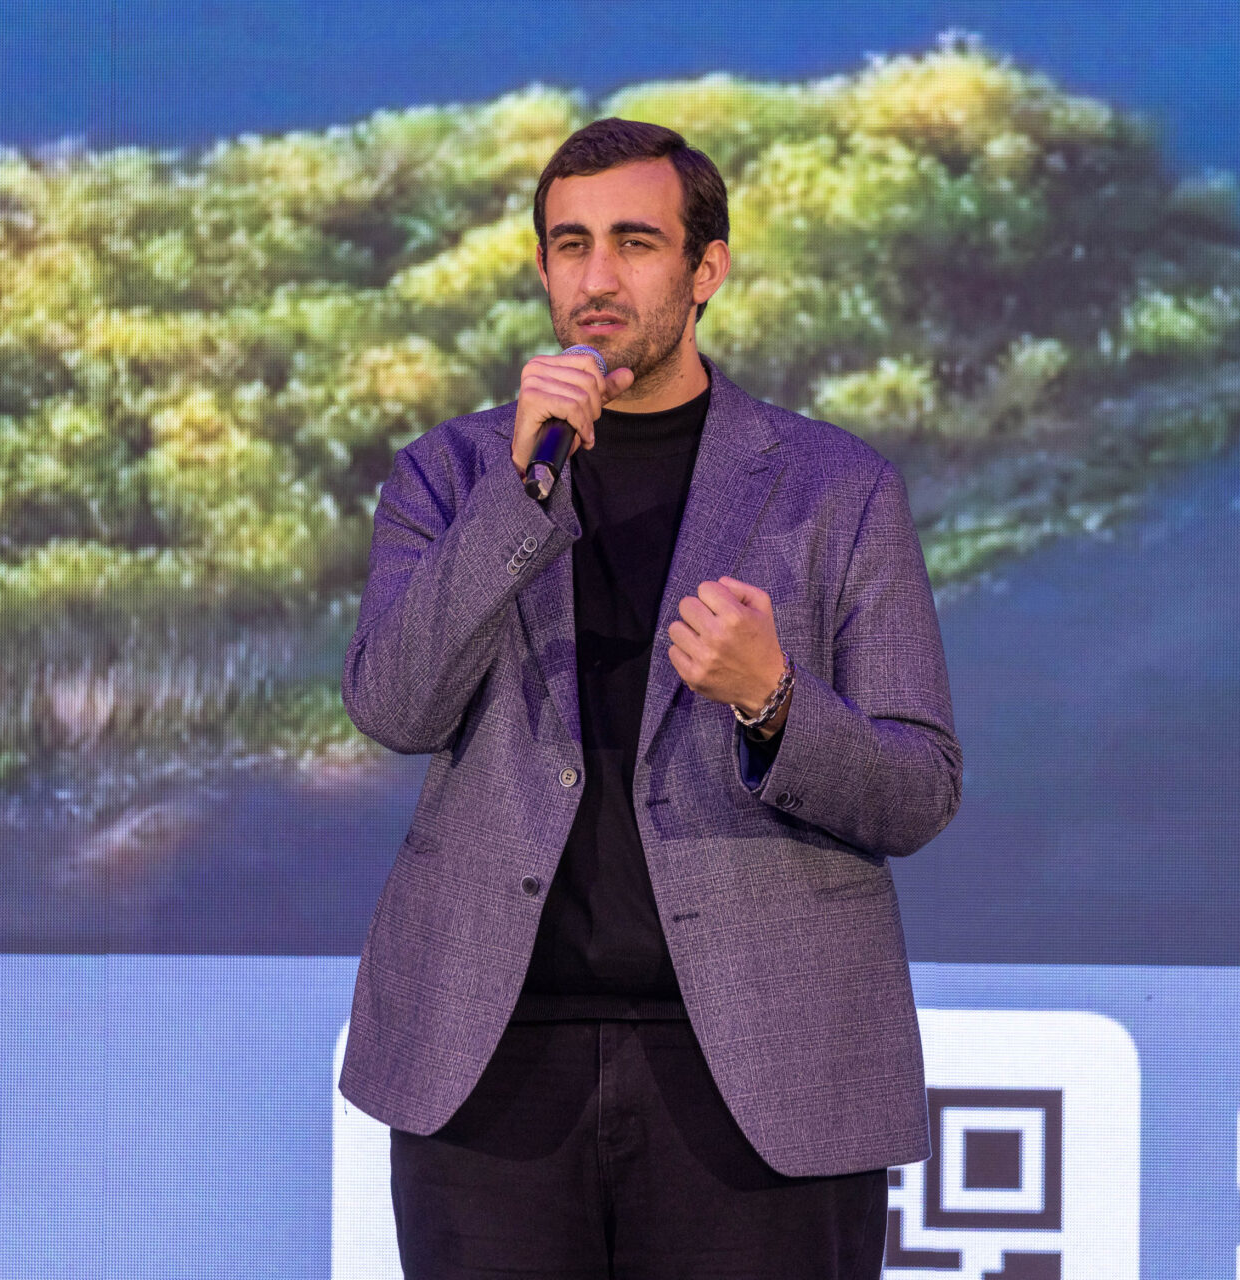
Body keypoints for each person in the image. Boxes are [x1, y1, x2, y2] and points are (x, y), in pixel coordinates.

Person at [339, 117, 963, 1279]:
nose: (597, 277)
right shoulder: (454, 473)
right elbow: (394, 704)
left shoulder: (836, 488)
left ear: (706, 268)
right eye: (569, 245)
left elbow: (918, 786)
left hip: (761, 1070)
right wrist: (517, 499)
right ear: (541, 267)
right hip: (494, 1069)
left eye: (634, 243)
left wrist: (774, 700)